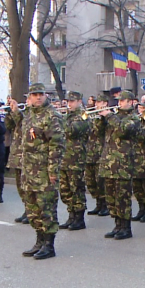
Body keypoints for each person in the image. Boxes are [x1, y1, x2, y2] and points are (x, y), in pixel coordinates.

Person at [18, 83, 65, 260]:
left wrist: (53, 171)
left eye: (41, 94)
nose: (38, 97)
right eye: (34, 94)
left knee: (47, 208)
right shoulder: (29, 114)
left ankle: (49, 245)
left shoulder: (52, 116)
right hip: (29, 170)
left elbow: (57, 145)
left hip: (44, 172)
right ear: (29, 97)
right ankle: (39, 240)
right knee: (32, 209)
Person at [99, 90, 145, 240]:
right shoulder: (114, 117)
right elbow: (97, 132)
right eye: (119, 100)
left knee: (122, 197)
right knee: (111, 197)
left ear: (131, 102)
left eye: (123, 100)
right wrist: (100, 119)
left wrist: (109, 116)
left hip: (123, 164)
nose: (119, 102)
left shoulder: (133, 118)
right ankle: (117, 224)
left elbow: (122, 130)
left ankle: (125, 227)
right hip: (109, 163)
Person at [58, 91, 89, 231]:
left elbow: (72, 130)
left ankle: (79, 218)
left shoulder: (83, 115)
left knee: (76, 188)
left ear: (79, 101)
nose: (69, 104)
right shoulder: (67, 116)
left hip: (76, 158)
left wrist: (59, 120)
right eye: (68, 101)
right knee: (65, 190)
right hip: (64, 158)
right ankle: (71, 215)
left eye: (72, 101)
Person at [85, 94, 109, 217]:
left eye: (100, 102)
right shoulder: (92, 115)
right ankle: (98, 203)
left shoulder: (108, 116)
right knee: (91, 182)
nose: (97, 104)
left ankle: (104, 204)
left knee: (101, 182)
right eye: (96, 102)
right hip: (90, 152)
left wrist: (102, 115)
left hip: (101, 153)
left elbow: (100, 130)